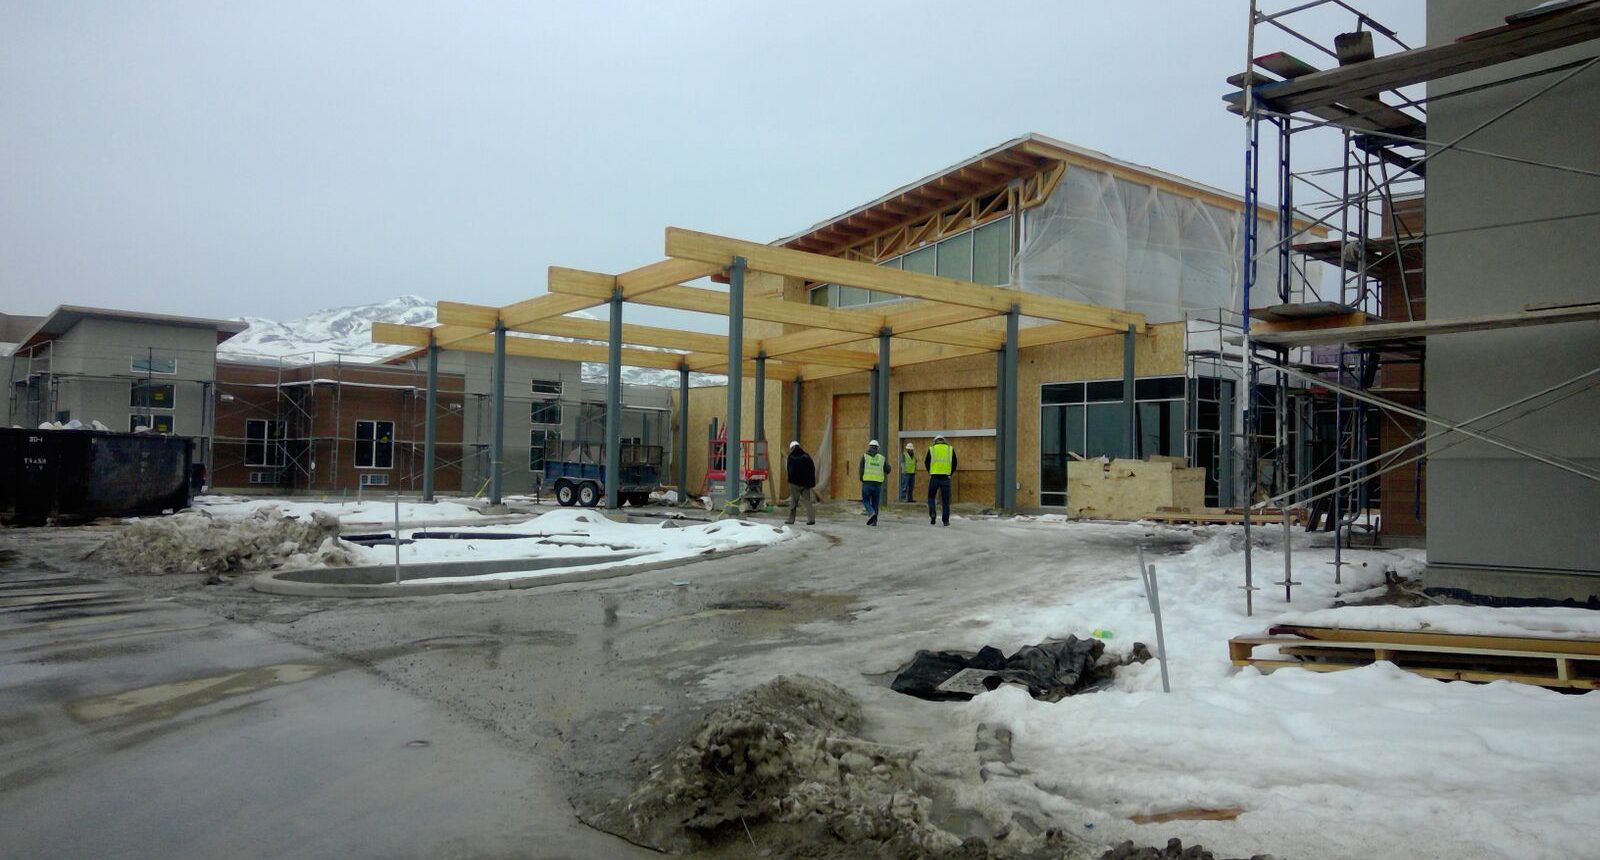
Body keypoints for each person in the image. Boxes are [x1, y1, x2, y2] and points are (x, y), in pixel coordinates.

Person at [925, 434, 956, 526]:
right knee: (945, 501)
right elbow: (955, 463)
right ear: (944, 441)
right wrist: (950, 473)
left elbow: (926, 462)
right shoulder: (950, 449)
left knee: (931, 497)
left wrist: (930, 471)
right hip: (945, 478)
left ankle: (932, 513)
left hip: (934, 477)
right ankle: (945, 521)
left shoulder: (932, 449)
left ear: (935, 441)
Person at [784, 441, 816, 526]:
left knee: (794, 501)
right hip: (805, 484)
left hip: (794, 483)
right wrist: (810, 482)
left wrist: (791, 480)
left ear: (792, 448)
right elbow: (812, 469)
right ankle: (811, 519)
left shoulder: (791, 457)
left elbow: (790, 470)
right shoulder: (806, 456)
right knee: (808, 501)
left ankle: (791, 519)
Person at [858, 439, 889, 526]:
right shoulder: (882, 458)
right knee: (875, 503)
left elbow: (861, 470)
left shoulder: (865, 457)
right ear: (877, 448)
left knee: (866, 500)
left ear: (869, 447)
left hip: (867, 483)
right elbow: (888, 470)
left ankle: (871, 513)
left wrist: (862, 479)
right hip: (877, 485)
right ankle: (874, 521)